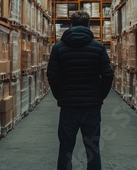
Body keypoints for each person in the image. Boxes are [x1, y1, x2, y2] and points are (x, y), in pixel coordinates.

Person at [47, 10, 114, 170]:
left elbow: (52, 74)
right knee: (93, 149)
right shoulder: (98, 47)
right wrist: (99, 96)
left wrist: (60, 96)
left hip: (68, 107)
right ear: (88, 25)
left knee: (65, 148)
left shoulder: (59, 47)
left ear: (71, 25)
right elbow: (108, 74)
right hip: (92, 106)